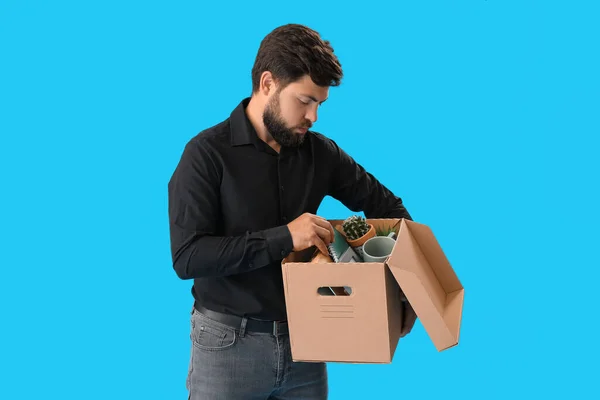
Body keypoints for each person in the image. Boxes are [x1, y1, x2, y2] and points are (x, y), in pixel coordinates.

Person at [167, 23, 417, 400]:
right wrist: (285, 237)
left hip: (306, 342)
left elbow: (390, 209)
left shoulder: (321, 154)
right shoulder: (205, 155)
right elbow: (188, 258)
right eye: (304, 101)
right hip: (227, 343)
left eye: (320, 104)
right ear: (268, 84)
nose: (313, 116)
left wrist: (407, 285)